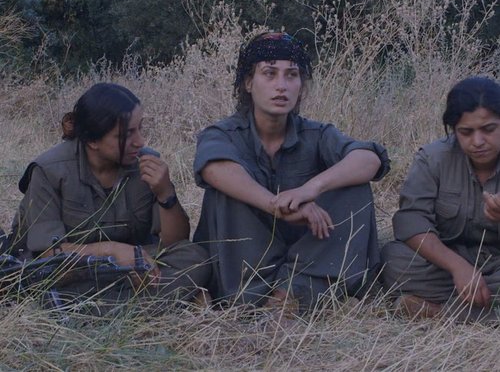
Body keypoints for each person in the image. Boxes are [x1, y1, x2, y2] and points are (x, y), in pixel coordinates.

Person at [193, 32, 390, 310]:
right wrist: (277, 206)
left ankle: (290, 296)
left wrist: (309, 190)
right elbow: (214, 167)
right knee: (225, 191)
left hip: (306, 259)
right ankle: (250, 297)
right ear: (248, 83)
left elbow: (369, 159)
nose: (281, 86)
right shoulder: (223, 133)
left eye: (292, 75)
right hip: (246, 265)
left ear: (301, 85)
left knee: (354, 185)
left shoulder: (316, 133)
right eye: (269, 74)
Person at [7, 82, 210, 310]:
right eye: (127, 134)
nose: (140, 141)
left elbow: (175, 243)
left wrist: (165, 193)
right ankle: (155, 304)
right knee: (51, 286)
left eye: (140, 128)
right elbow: (48, 255)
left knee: (195, 257)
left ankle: (98, 309)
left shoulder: (144, 165)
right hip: (69, 272)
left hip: (130, 269)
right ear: (92, 140)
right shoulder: (49, 171)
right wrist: (111, 251)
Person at [382, 76, 500, 320]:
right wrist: (458, 267)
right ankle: (482, 311)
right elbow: (412, 222)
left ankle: (440, 312)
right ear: (454, 130)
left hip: (496, 262)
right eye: (466, 132)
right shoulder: (433, 158)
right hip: (444, 260)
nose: (478, 142)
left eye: (489, 130)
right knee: (392, 260)